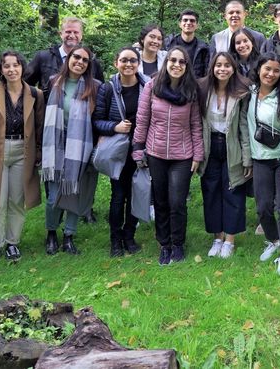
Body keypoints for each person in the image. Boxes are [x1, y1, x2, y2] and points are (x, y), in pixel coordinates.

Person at [25, 16, 100, 223]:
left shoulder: (92, 67)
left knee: (76, 183)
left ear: (81, 35)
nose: (72, 35)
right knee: (54, 188)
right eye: (68, 31)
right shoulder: (43, 58)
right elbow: (26, 87)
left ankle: (78, 219)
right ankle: (53, 226)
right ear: (61, 33)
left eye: (76, 32)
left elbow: (98, 99)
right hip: (53, 133)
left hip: (80, 136)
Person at [0, 50, 45, 262]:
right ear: (1, 70)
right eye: (6, 66)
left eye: (15, 65)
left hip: (24, 152)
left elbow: (39, 128)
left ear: (22, 67)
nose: (11, 69)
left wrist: (38, 153)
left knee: (16, 201)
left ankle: (13, 243)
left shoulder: (35, 94)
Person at [132, 46, 204, 265]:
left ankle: (178, 243)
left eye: (182, 62)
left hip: (182, 155)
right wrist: (138, 148)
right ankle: (164, 244)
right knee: (161, 201)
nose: (177, 65)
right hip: (156, 153)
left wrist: (197, 155)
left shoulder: (191, 91)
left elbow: (195, 125)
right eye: (173, 60)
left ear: (186, 66)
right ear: (166, 62)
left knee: (177, 202)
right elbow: (142, 118)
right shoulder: (152, 87)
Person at [41, 45, 101, 255]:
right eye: (77, 57)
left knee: (74, 192)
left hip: (80, 146)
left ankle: (68, 235)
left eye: (85, 60)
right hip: (55, 144)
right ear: (68, 59)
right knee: (53, 197)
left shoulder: (94, 87)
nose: (80, 62)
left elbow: (97, 119)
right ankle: (51, 233)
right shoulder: (53, 82)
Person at [246, 53, 280, 275]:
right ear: (259, 69)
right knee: (263, 207)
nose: (271, 74)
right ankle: (274, 239)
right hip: (259, 160)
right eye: (267, 69)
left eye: (276, 70)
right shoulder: (250, 94)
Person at [93, 47, 149, 257]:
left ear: (138, 63)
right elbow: (97, 120)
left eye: (133, 60)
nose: (128, 64)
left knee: (137, 192)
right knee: (118, 195)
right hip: (118, 150)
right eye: (124, 60)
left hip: (141, 148)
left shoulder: (147, 86)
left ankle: (129, 236)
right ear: (116, 62)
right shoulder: (108, 89)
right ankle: (115, 240)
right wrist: (114, 127)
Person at [198, 52, 252, 258]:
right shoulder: (203, 90)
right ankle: (217, 238)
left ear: (233, 68)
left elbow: (244, 126)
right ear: (212, 67)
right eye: (218, 65)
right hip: (210, 146)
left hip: (233, 147)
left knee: (233, 191)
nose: (222, 69)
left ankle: (229, 240)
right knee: (211, 192)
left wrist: (247, 157)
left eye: (227, 65)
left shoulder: (241, 92)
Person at [164, 9, 210, 78]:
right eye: (185, 20)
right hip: (171, 84)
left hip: (194, 86)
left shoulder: (203, 48)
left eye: (192, 20)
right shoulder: (168, 43)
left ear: (197, 25)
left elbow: (206, 73)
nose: (188, 23)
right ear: (180, 24)